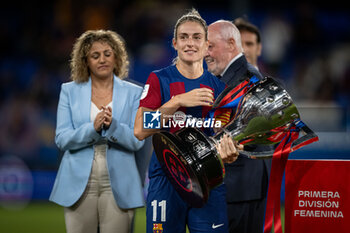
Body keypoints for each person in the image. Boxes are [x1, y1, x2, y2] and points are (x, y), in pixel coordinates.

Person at [134, 9, 241, 233]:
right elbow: (140, 129)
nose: (189, 43)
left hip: (209, 182)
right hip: (166, 178)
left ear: (206, 45)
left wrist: (230, 152)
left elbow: (226, 137)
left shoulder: (221, 89)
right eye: (183, 37)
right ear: (174, 43)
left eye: (196, 37)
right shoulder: (159, 79)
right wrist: (176, 102)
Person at [49, 29, 145, 233]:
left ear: (117, 57)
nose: (102, 59)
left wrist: (114, 127)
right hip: (78, 183)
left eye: (107, 54)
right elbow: (62, 139)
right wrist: (92, 129)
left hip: (119, 183)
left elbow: (138, 141)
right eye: (95, 55)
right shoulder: (69, 91)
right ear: (86, 61)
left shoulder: (135, 92)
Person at [205, 20, 272, 233]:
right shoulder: (226, 77)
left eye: (210, 46)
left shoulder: (248, 77)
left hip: (240, 187)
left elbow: (257, 132)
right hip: (237, 186)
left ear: (232, 44)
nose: (205, 53)